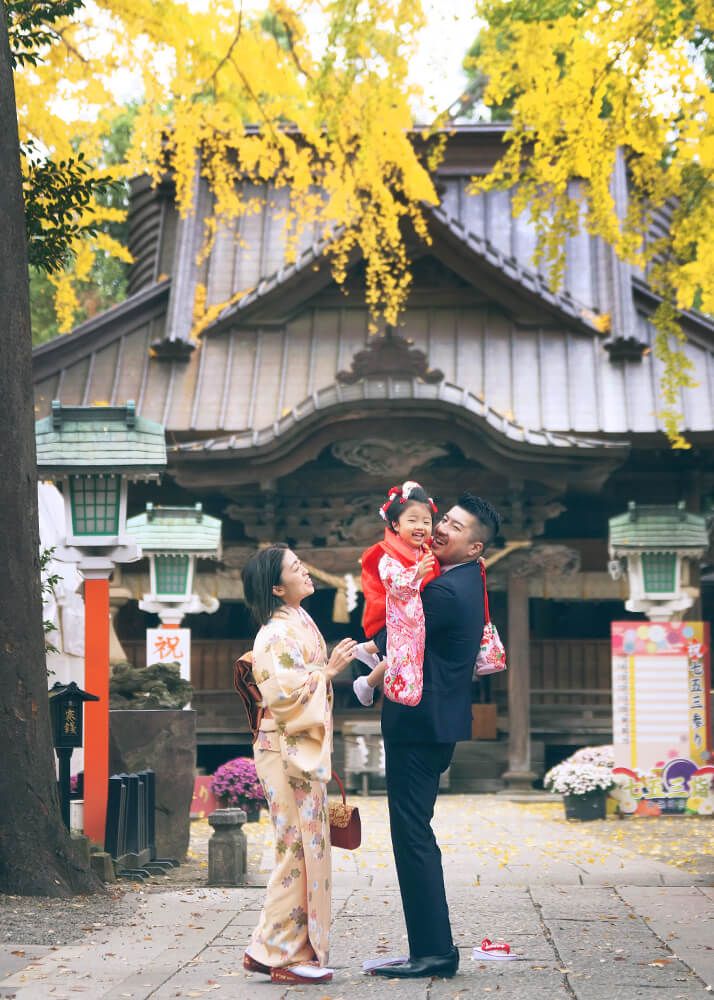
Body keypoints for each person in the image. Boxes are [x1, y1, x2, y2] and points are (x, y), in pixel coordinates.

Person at [369, 493, 502, 980]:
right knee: (413, 832)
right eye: (444, 519)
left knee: (412, 835)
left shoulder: (446, 591)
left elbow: (396, 629)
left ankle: (434, 952)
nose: (442, 528)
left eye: (456, 527)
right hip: (431, 724)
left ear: (475, 548)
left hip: (420, 727)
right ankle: (429, 946)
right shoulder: (463, 580)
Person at [241, 544, 357, 986]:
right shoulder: (273, 634)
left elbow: (304, 679)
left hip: (296, 747)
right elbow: (285, 696)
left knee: (302, 845)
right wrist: (326, 673)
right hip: (283, 749)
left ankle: (267, 945)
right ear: (276, 586)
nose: (304, 570)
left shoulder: (298, 622)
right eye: (294, 568)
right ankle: (284, 955)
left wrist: (338, 664)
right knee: (295, 845)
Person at [352, 481, 441, 707]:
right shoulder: (388, 555)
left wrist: (470, 562)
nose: (420, 526)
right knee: (397, 657)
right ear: (395, 524)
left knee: (399, 654)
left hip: (412, 618)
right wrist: (416, 573)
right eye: (412, 520)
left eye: (426, 521)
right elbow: (393, 582)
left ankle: (366, 650)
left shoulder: (426, 549)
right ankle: (366, 683)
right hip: (393, 616)